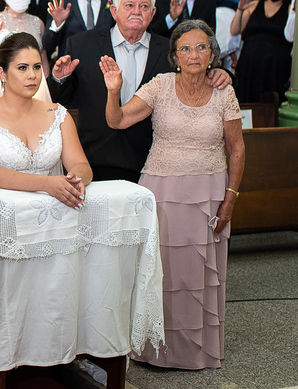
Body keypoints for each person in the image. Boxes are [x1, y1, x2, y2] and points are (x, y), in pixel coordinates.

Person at [101, 19, 244, 370]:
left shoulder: (224, 90)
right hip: (162, 190)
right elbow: (117, 121)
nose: (194, 54)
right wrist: (113, 89)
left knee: (197, 275)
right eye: (185, 48)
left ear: (212, 54)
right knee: (159, 272)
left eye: (201, 47)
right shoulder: (160, 86)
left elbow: (237, 148)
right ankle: (152, 349)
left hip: (208, 191)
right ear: (174, 56)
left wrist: (231, 198)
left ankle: (196, 351)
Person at [48, 0, 232, 183]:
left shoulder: (169, 52)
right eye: (129, 5)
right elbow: (60, 100)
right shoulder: (82, 44)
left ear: (153, 13)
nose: (137, 11)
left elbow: (196, 80)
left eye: (144, 6)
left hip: (152, 164)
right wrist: (59, 78)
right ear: (114, 10)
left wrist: (220, 74)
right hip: (94, 161)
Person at [0, 32, 92, 199]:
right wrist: (47, 184)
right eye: (22, 68)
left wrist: (74, 180)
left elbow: (82, 165)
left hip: (51, 211)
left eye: (37, 67)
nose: (32, 75)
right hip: (2, 212)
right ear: (2, 73)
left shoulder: (58, 114)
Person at [231, 0, 295, 102]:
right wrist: (240, 10)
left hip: (276, 68)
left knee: (270, 106)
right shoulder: (254, 5)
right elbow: (235, 30)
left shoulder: (290, 10)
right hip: (249, 65)